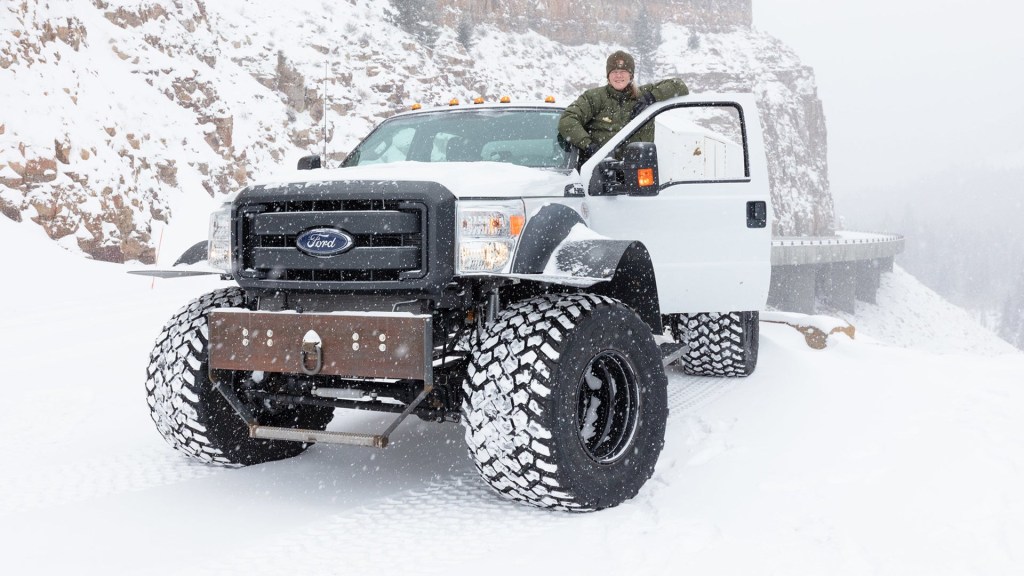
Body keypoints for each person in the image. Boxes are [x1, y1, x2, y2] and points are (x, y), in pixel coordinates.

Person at [558, 50, 689, 164]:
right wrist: (589, 146)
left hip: (639, 171)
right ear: (608, 76)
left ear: (631, 75)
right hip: (601, 171)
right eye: (614, 71)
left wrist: (651, 97)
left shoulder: (644, 94)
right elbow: (568, 120)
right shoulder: (594, 97)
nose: (618, 75)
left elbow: (679, 85)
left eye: (623, 71)